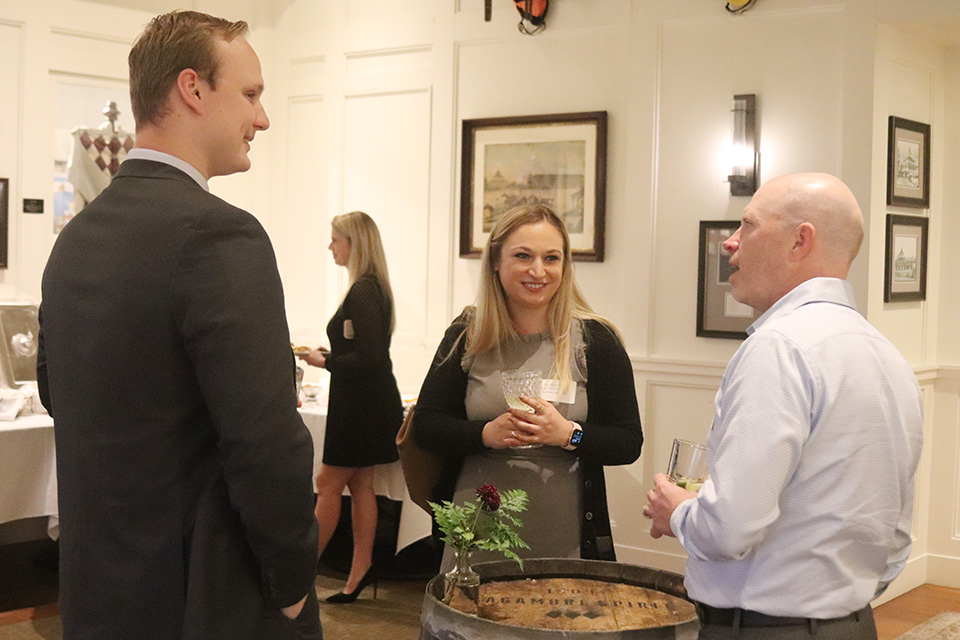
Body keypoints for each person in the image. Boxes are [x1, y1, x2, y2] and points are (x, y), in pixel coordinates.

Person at [36, 11, 321, 640]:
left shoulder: (75, 239)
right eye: (250, 94)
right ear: (192, 89)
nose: (263, 118)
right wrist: (293, 582)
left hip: (97, 593)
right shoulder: (222, 233)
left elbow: (62, 396)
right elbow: (265, 441)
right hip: (207, 599)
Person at [644, 173, 923, 640]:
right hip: (853, 625)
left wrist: (675, 511)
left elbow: (728, 531)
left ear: (800, 241)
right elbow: (894, 542)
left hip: (762, 629)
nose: (730, 243)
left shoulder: (779, 348)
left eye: (748, 226)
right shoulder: (887, 356)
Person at [412, 204, 642, 568]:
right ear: (496, 261)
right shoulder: (467, 334)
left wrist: (568, 434)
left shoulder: (597, 340)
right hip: (477, 527)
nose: (538, 271)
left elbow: (628, 443)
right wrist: (486, 434)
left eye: (551, 258)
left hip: (565, 531)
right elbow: (425, 425)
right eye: (523, 256)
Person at [297, 211, 404, 603]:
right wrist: (335, 356)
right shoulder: (371, 287)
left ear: (353, 243)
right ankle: (359, 571)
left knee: (327, 483)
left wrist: (325, 361)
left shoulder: (363, 290)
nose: (330, 247)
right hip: (365, 403)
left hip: (362, 407)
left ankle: (298, 577)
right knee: (361, 485)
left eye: (335, 239)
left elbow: (371, 358)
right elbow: (367, 352)